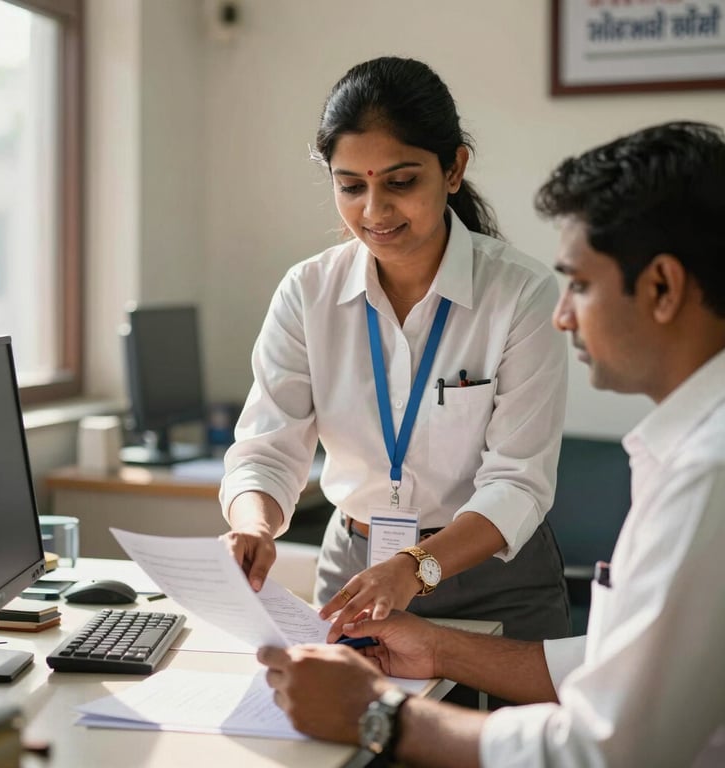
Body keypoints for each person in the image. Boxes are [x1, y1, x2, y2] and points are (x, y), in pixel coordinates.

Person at [258, 120, 725, 767]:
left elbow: (605, 748)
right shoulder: (692, 450)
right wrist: (440, 648)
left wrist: (380, 717)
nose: (564, 315)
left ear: (663, 287)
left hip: (490, 578)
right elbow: (625, 656)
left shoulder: (708, 472)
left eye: (581, 286)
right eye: (350, 184)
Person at [219, 56, 570, 654]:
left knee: (502, 747)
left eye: (401, 182)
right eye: (351, 186)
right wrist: (253, 524)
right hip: (356, 573)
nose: (374, 212)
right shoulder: (308, 293)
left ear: (454, 168)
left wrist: (414, 567)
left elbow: (518, 482)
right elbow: (266, 448)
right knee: (350, 745)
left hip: (493, 577)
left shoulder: (520, 293)